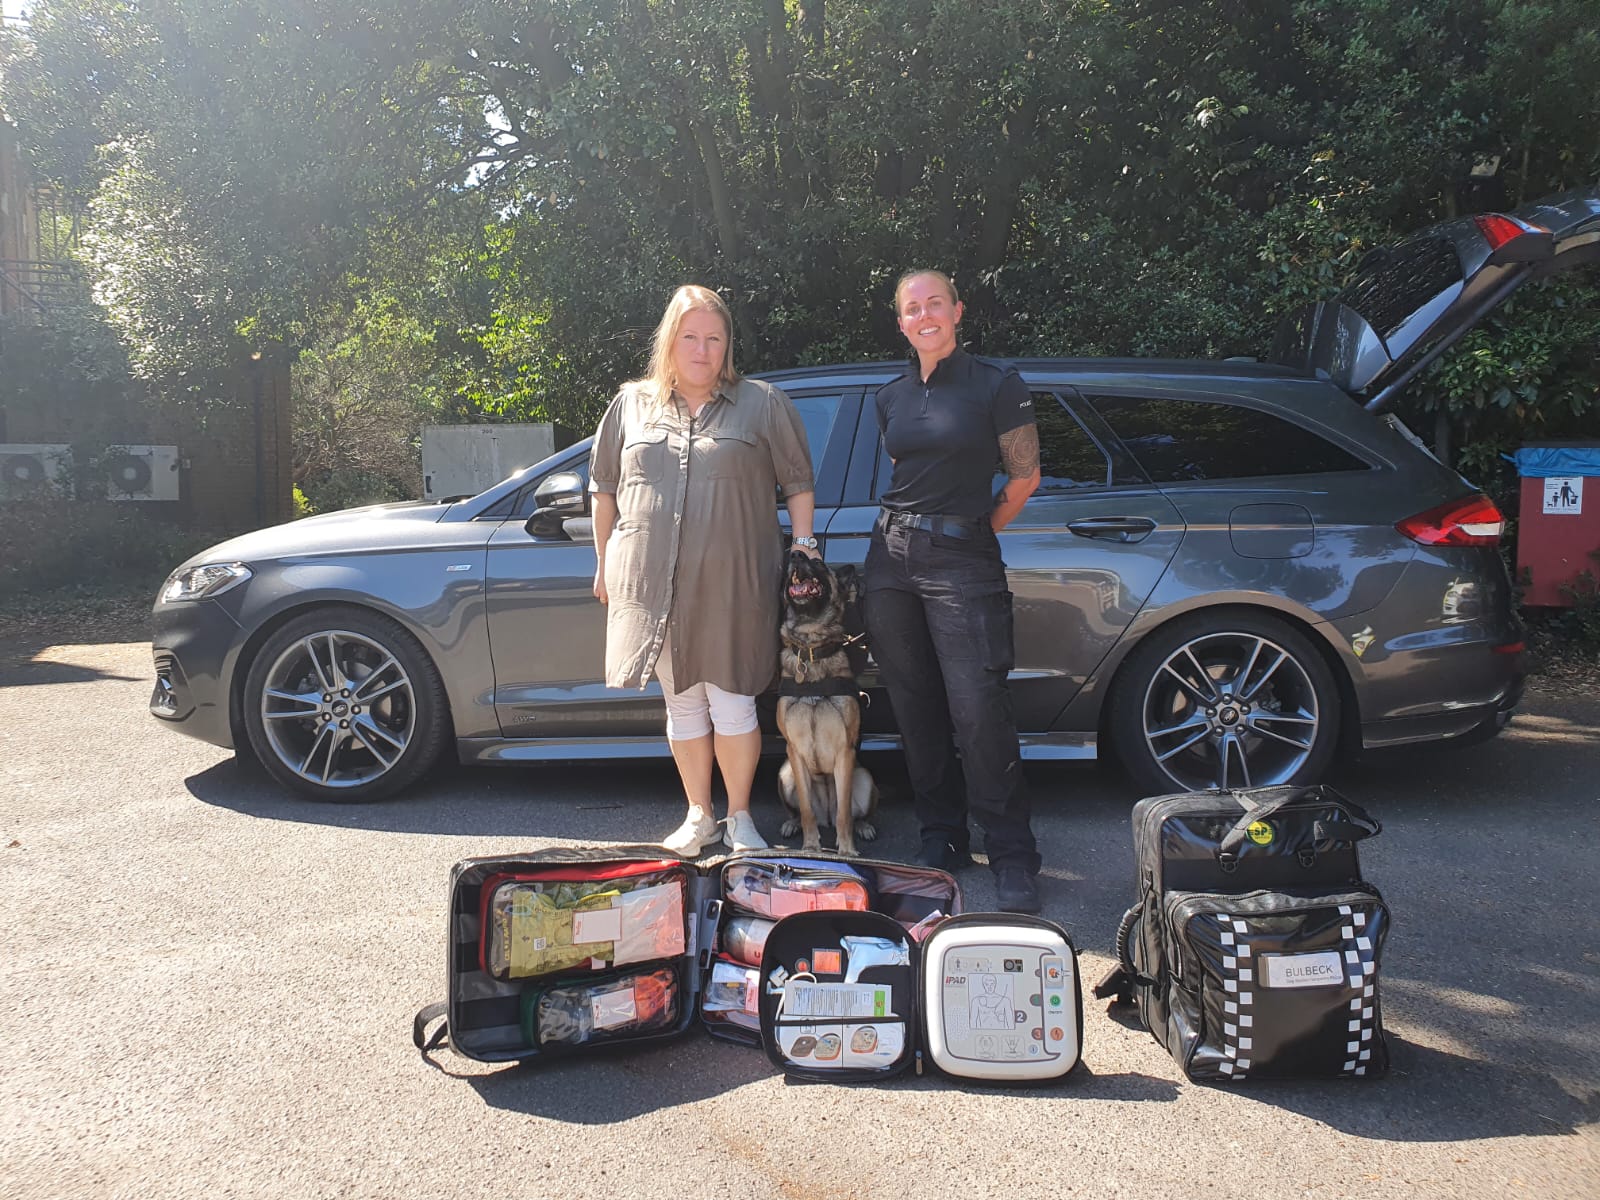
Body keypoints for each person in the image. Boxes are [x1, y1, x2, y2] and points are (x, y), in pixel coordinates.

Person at [589, 285, 819, 855]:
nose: (702, 349)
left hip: (734, 583)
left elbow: (798, 482)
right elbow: (604, 490)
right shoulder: (630, 405)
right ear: (669, 340)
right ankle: (699, 815)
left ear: (727, 346)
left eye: (714, 339)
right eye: (690, 337)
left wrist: (806, 543)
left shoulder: (761, 403)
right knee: (683, 701)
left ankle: (740, 817)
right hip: (651, 584)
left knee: (734, 699)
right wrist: (603, 566)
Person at [863, 269, 1044, 913]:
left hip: (961, 557)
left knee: (979, 710)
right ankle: (941, 839)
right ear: (902, 322)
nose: (924, 314)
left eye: (934, 302)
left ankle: (1013, 854)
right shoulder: (890, 395)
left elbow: (1025, 477)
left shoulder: (997, 384)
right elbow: (900, 472)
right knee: (915, 707)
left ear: (958, 311)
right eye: (912, 308)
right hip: (889, 558)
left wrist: (970, 531)